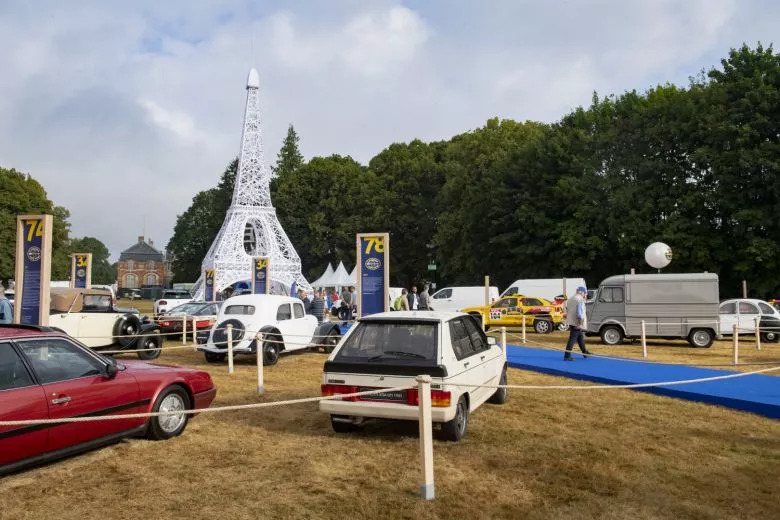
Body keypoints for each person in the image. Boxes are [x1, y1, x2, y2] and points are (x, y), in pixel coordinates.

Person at [563, 286, 592, 360]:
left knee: (580, 337)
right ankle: (567, 355)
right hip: (577, 322)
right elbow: (580, 313)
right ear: (582, 292)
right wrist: (580, 323)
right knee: (572, 339)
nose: (585, 295)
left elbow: (567, 309)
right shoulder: (580, 300)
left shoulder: (570, 299)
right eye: (585, 293)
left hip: (571, 321)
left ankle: (585, 352)